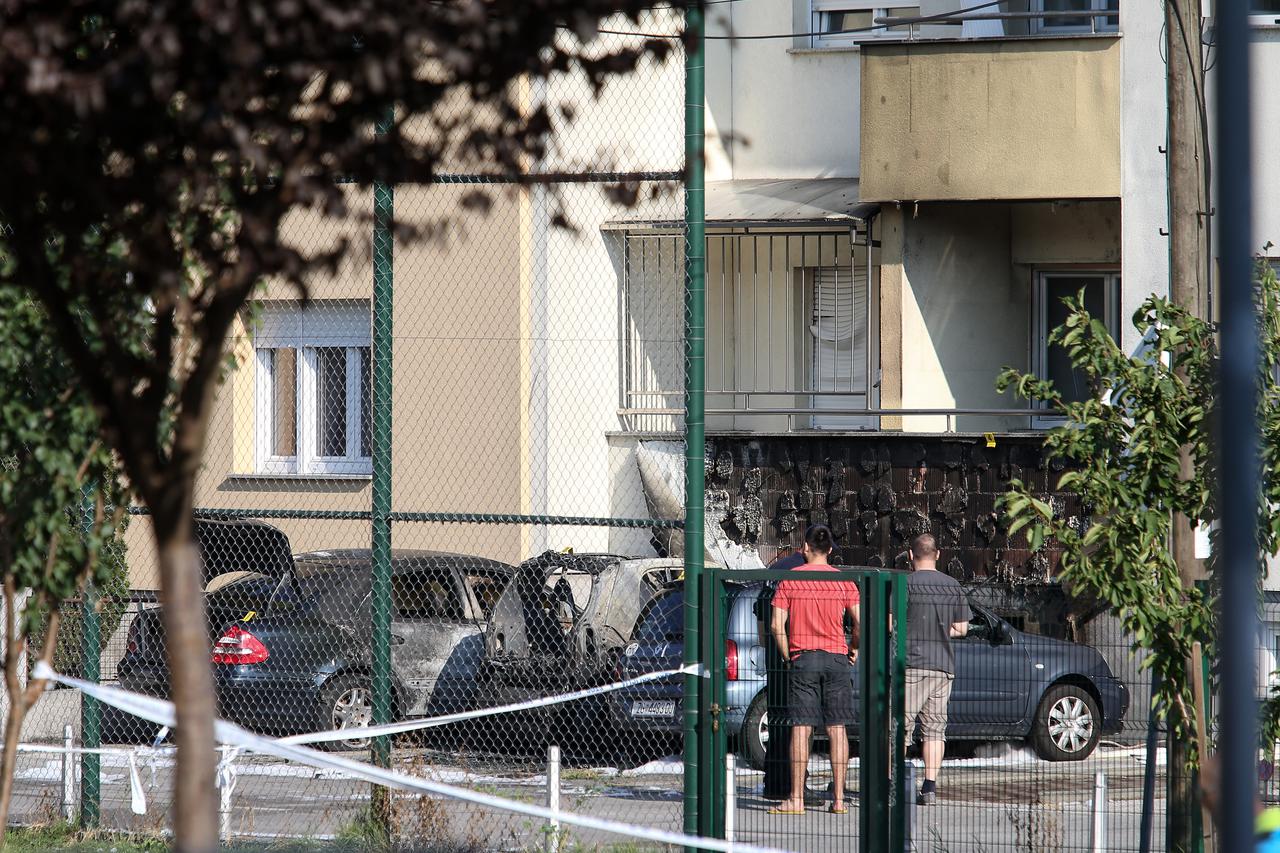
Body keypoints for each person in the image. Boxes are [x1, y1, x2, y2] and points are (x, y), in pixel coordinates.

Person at [768, 524, 860, 815]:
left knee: (801, 728)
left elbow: (775, 624)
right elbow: (860, 621)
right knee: (837, 728)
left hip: (803, 658)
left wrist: (788, 656)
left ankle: (795, 799)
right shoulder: (844, 582)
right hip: (836, 658)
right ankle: (839, 799)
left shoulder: (790, 580)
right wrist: (853, 649)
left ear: (805, 547)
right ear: (830, 551)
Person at [903, 532, 971, 806]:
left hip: (911, 664)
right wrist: (940, 632)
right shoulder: (952, 585)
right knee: (934, 729)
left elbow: (890, 623)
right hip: (943, 667)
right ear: (938, 554)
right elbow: (961, 628)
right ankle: (929, 786)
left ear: (911, 555)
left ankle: (892, 783)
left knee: (899, 726)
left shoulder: (905, 584)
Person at [755, 537, 810, 800]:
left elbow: (761, 617)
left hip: (774, 657)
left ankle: (773, 783)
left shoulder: (774, 571)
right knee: (799, 721)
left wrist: (769, 649)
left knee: (776, 717)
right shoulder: (804, 572)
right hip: (796, 652)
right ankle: (796, 784)